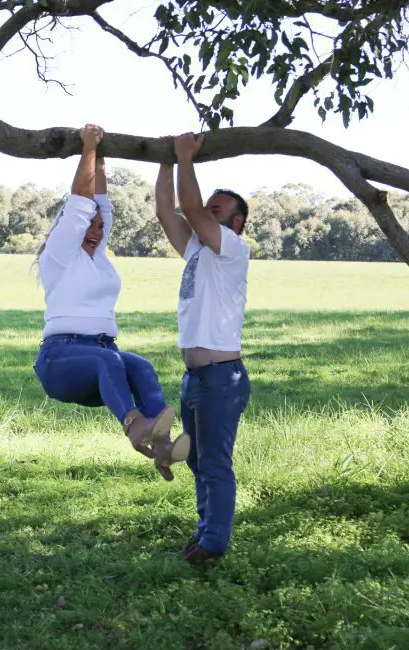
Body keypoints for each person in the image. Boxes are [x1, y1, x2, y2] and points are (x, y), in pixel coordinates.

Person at [33, 124, 189, 479]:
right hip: (61, 360)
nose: (96, 231)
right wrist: (88, 148)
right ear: (70, 226)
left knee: (141, 367)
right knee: (109, 360)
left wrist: (100, 158)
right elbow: (82, 202)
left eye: (101, 228)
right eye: (89, 225)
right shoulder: (60, 254)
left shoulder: (97, 256)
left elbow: (101, 205)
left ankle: (163, 447)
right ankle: (135, 426)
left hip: (104, 356)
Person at [154, 133, 253, 565]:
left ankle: (213, 545)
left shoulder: (232, 248)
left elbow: (190, 208)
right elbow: (165, 210)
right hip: (195, 377)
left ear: (235, 223)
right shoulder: (197, 249)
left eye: (217, 211)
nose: (202, 216)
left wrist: (183, 156)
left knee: (214, 464)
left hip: (220, 378)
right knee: (197, 462)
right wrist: (165, 162)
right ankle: (203, 532)